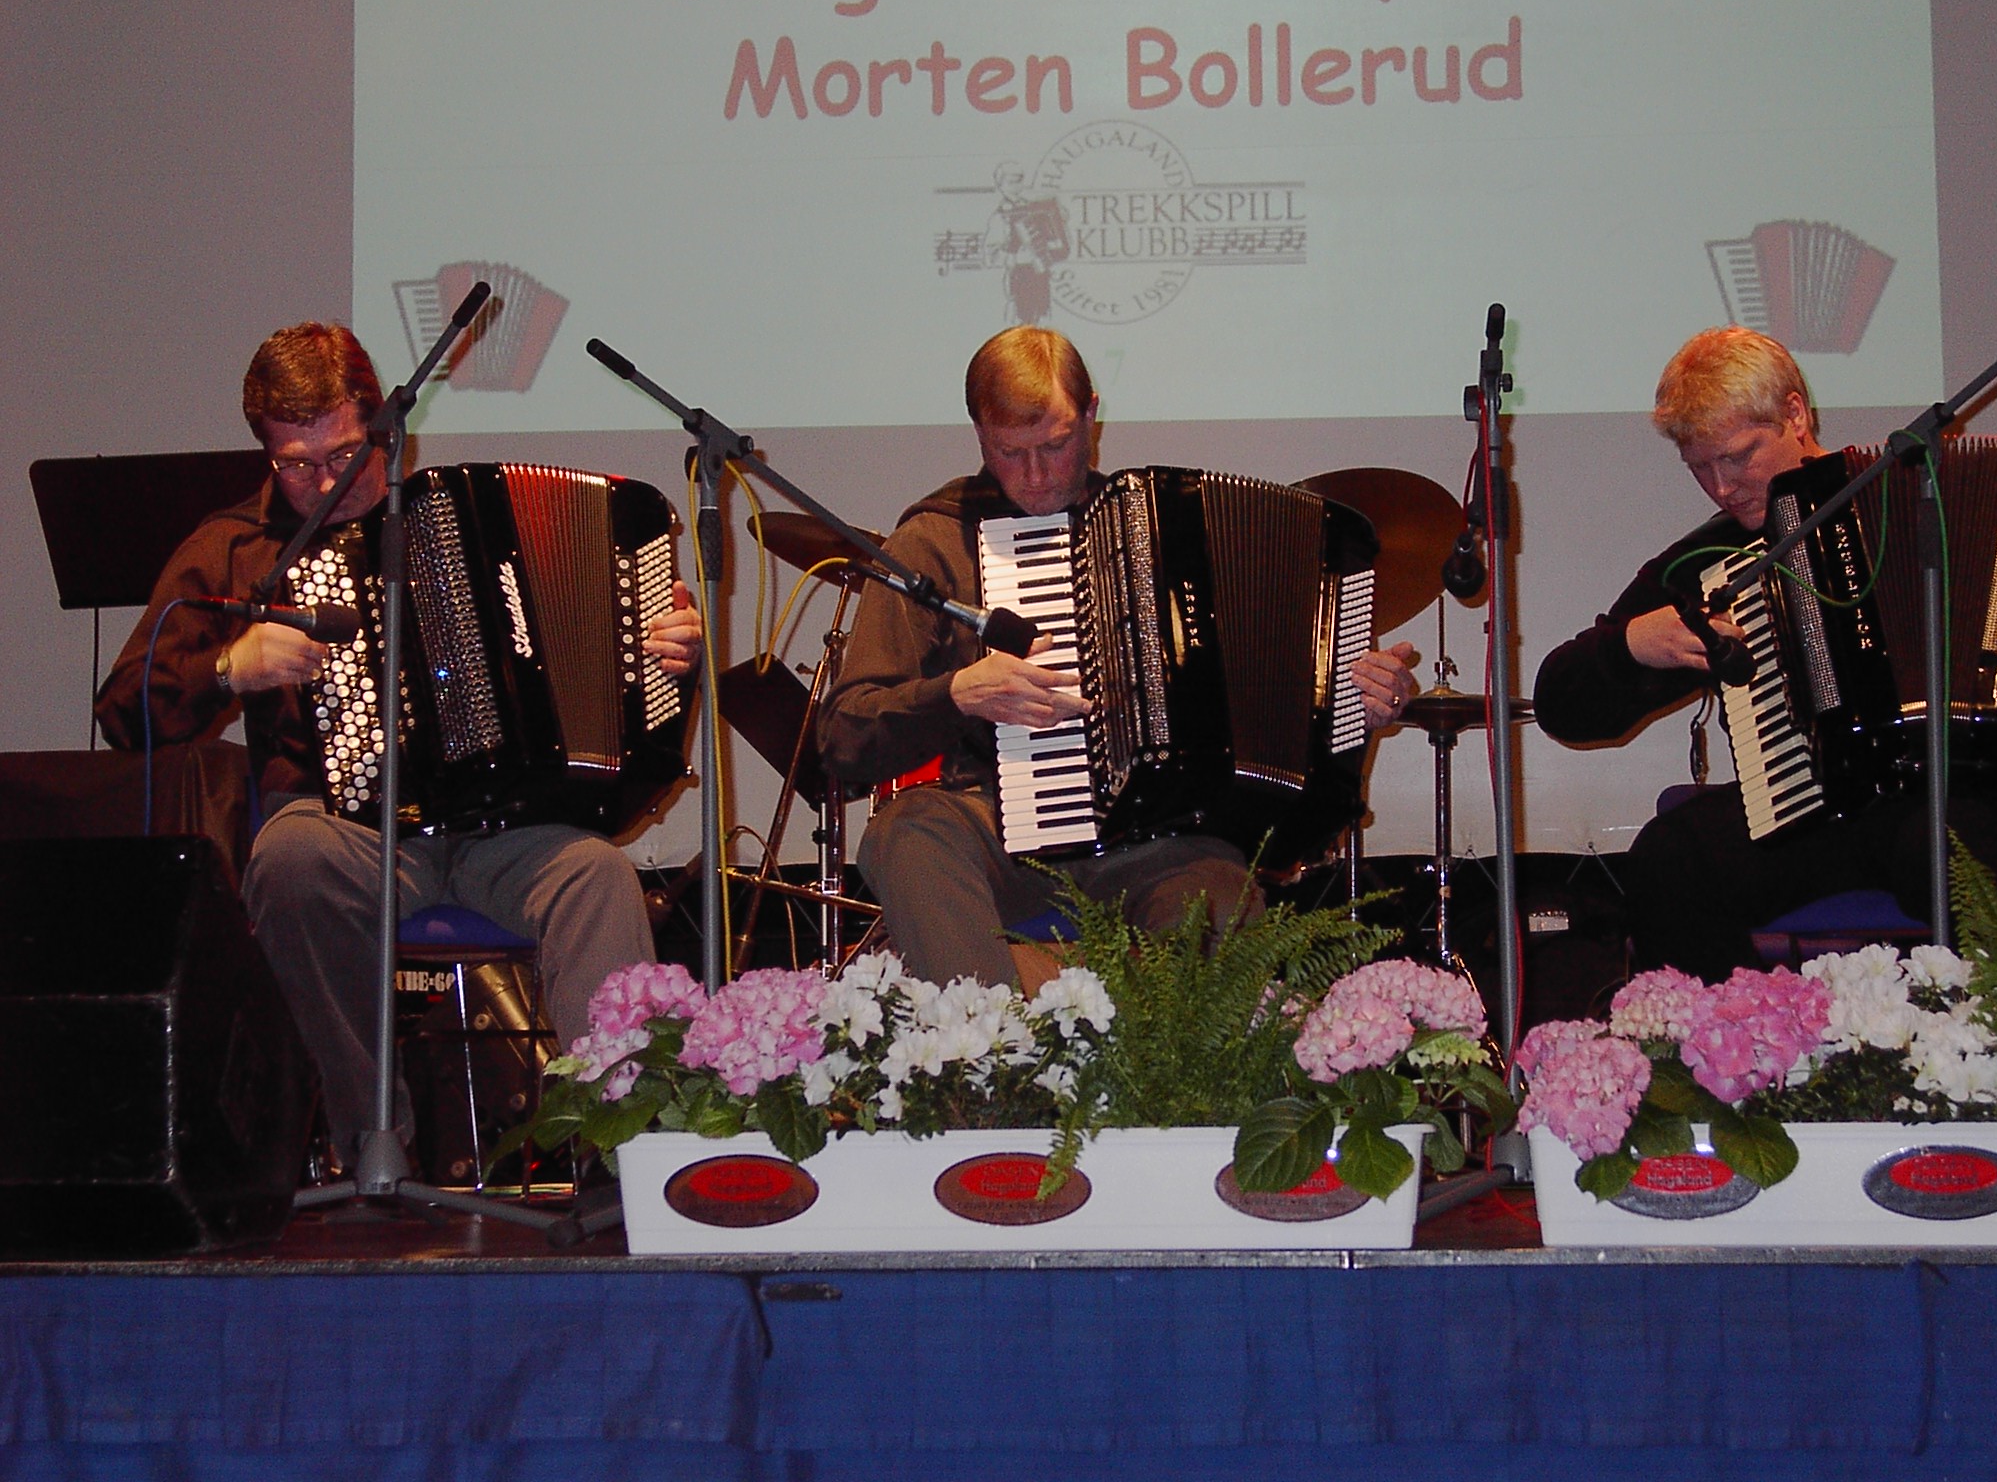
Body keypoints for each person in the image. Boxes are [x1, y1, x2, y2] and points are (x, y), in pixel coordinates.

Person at [95, 322, 703, 1166]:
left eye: (345, 454)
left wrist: (664, 658)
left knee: (597, 877)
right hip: (347, 830)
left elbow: (620, 696)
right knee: (291, 862)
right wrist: (231, 667)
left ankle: (628, 1156)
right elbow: (123, 710)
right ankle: (372, 1144)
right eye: (296, 465)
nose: (325, 482)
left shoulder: (454, 516)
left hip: (505, 831)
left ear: (387, 431)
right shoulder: (233, 548)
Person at [816, 325, 1418, 987]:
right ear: (979, 434)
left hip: (1160, 842)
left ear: (1091, 416)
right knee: (906, 833)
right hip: (998, 830)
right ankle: (987, 1041)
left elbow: (1282, 704)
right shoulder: (933, 538)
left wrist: (1355, 702)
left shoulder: (1170, 531)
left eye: (1055, 445)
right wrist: (960, 693)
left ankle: (1182, 1058)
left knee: (1220, 896)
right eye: (1010, 452)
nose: (1036, 475)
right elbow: (845, 734)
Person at [1532, 325, 1997, 980]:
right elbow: (1561, 703)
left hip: (1979, 793)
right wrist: (1632, 646)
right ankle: (1747, 1037)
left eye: (1738, 457)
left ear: (1795, 415)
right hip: (1820, 807)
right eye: (1700, 468)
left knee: (1950, 849)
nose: (1723, 488)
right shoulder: (1711, 560)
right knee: (1673, 855)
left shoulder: (1925, 499)